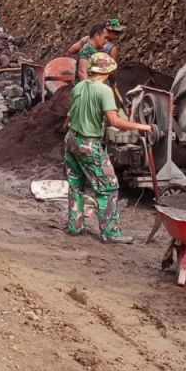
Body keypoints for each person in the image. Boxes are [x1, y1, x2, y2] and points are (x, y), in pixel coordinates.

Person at [64, 52, 153, 244]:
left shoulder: (79, 86)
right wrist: (142, 126)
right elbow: (114, 120)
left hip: (71, 139)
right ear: (108, 70)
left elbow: (71, 115)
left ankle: (74, 224)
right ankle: (110, 232)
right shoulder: (103, 91)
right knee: (108, 186)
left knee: (75, 184)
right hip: (89, 143)